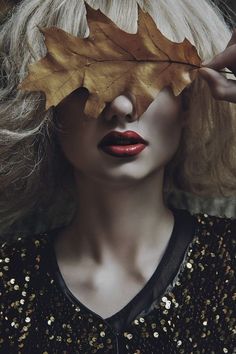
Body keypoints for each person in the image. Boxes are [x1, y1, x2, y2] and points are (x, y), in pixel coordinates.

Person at [0, 0, 235, 353]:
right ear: (47, 107)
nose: (121, 108)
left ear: (187, 104)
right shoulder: (9, 281)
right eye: (88, 81)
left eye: (150, 78)